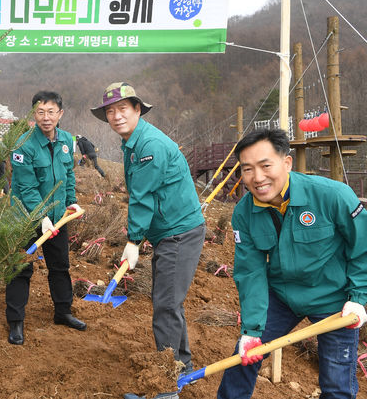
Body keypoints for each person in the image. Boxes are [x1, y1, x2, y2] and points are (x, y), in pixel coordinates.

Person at [216, 128, 367, 399]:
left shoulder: (332, 196)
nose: (257, 178)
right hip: (282, 295)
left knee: (337, 384)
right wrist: (251, 329)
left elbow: (363, 247)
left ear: (286, 162)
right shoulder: (244, 213)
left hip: (333, 299)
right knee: (244, 357)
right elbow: (250, 271)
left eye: (265, 166)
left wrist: (358, 297)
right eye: (247, 169)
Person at [90, 82, 205, 398]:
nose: (116, 116)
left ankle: (167, 387)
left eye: (122, 109)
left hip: (178, 233)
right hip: (171, 231)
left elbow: (143, 197)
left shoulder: (149, 145)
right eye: (110, 111)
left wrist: (133, 241)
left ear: (138, 109)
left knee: (165, 305)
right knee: (169, 302)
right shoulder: (134, 142)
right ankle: (181, 368)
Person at [5, 91, 85, 345]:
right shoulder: (23, 145)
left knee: (60, 266)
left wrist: (70, 200)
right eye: (40, 112)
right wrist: (40, 218)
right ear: (33, 115)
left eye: (51, 112)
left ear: (60, 114)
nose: (46, 117)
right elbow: (26, 188)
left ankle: (63, 312)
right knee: (21, 268)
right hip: (26, 218)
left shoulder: (66, 140)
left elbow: (68, 173)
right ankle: (16, 321)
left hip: (57, 218)